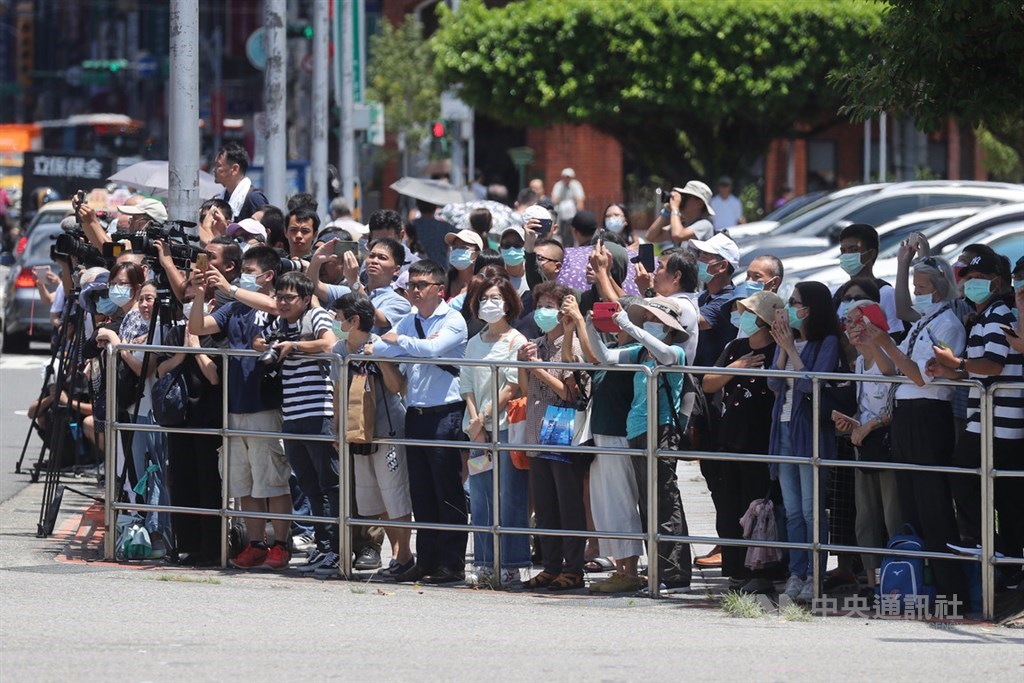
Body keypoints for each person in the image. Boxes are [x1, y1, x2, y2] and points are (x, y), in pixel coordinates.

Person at [858, 255, 968, 603]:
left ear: (937, 290)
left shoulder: (947, 324)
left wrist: (888, 344)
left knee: (933, 505)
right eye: (916, 287)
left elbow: (920, 375)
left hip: (928, 413)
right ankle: (920, 585)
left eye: (922, 288)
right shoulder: (923, 322)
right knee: (910, 507)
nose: (916, 294)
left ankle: (954, 591)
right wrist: (876, 339)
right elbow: (895, 368)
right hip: (905, 413)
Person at [188, 246, 295, 570]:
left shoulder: (277, 305)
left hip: (265, 405)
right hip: (234, 407)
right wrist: (199, 292)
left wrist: (230, 288)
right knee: (244, 481)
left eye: (249, 271)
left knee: (272, 479)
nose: (242, 277)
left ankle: (280, 544)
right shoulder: (232, 308)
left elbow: (276, 305)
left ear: (268, 275)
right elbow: (197, 327)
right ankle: (256, 544)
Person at [584, 296, 693, 593]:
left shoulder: (674, 351)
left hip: (661, 430)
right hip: (637, 430)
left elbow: (667, 357)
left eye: (654, 320)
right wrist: (591, 326)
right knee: (649, 505)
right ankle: (659, 571)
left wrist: (627, 325)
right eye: (646, 319)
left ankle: (676, 575)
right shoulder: (639, 353)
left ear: (668, 326)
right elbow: (605, 357)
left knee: (665, 501)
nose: (648, 324)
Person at [372, 260, 469, 584]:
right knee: (422, 493)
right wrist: (400, 343)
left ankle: (452, 563)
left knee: (447, 491)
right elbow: (380, 347)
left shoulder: (453, 319)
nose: (414, 289)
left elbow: (432, 350)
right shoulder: (409, 320)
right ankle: (426, 560)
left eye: (422, 284)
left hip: (447, 412)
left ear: (439, 289)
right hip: (416, 413)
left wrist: (400, 343)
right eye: (412, 284)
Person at [929, 252, 1023, 566]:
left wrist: (956, 363)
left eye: (977, 278)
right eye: (967, 277)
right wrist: (950, 372)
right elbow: (982, 368)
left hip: (996, 420)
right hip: (990, 418)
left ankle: (988, 544)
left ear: (996, 281)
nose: (970, 283)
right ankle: (1005, 558)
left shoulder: (997, 314)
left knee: (966, 476)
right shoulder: (989, 314)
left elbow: (994, 365)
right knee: (1004, 495)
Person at [253, 272, 339, 575]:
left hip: (319, 412)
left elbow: (330, 345)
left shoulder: (316, 315)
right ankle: (324, 545)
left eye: (289, 297)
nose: (283, 302)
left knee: (331, 484)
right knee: (309, 484)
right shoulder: (279, 324)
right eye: (279, 297)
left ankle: (337, 548)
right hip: (292, 415)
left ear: (305, 298)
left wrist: (295, 346)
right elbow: (259, 340)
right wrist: (263, 343)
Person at [701, 290, 785, 593]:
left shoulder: (780, 350)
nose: (744, 317)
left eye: (750, 313)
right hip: (729, 437)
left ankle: (763, 571)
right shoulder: (735, 347)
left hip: (761, 439)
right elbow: (708, 383)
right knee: (729, 507)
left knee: (760, 507)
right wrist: (734, 369)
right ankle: (735, 568)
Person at [330, 292, 416, 578]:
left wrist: (380, 359)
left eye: (338, 317)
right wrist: (336, 429)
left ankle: (404, 555)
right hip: (357, 434)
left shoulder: (381, 345)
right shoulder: (340, 351)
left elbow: (397, 387)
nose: (334, 322)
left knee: (396, 497)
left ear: (354, 320)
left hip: (387, 431)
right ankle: (396, 555)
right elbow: (339, 391)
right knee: (375, 500)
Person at [767, 281, 843, 602]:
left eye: (794, 302)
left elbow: (813, 387)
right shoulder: (785, 341)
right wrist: (785, 346)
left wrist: (793, 351)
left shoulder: (827, 342)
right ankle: (796, 572)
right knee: (793, 511)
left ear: (809, 308)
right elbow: (772, 381)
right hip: (782, 430)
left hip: (810, 432)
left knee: (813, 510)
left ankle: (816, 574)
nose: (790, 307)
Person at [518, 282, 589, 591]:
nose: (544, 311)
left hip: (563, 432)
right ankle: (550, 565)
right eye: (540, 305)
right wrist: (524, 363)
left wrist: (537, 369)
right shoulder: (536, 344)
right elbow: (524, 390)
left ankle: (573, 568)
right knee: (545, 506)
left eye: (551, 305)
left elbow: (569, 392)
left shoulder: (571, 346)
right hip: (536, 431)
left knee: (568, 503)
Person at [460, 276, 530, 586]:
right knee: (480, 496)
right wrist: (476, 423)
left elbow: (513, 385)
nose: (489, 303)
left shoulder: (516, 340)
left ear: (508, 303)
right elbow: (467, 385)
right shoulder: (474, 342)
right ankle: (485, 561)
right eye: (484, 297)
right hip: (478, 434)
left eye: (495, 297)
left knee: (509, 495)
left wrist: (486, 418)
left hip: (504, 430)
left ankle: (511, 562)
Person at [839, 296, 903, 598]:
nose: (849, 327)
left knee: (893, 516)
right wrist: (852, 422)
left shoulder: (886, 356)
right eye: (848, 321)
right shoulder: (859, 362)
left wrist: (870, 425)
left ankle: (899, 579)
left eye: (855, 320)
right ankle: (873, 581)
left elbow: (894, 405)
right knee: (865, 519)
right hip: (862, 441)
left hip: (884, 441)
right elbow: (866, 404)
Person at [157, 285, 224, 566]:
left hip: (208, 419)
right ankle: (187, 545)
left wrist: (196, 349)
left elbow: (214, 377)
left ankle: (211, 549)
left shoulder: (216, 334)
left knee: (209, 484)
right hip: (179, 419)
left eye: (194, 300)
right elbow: (161, 370)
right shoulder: (174, 333)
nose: (189, 306)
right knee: (182, 483)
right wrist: (180, 355)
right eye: (185, 301)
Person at [836, 223, 904, 336]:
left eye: (854, 250)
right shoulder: (839, 293)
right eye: (843, 251)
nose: (847, 255)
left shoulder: (885, 293)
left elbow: (894, 337)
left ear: (871, 254)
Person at [645, 181, 715, 247]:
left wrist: (675, 208)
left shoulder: (705, 225)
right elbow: (651, 237)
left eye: (686, 197)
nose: (681, 200)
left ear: (700, 203)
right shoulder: (682, 225)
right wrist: (666, 212)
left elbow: (678, 235)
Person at [213, 141, 269, 221]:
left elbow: (266, 230)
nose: (214, 169)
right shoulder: (219, 199)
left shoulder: (254, 198)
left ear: (235, 169)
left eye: (218, 165)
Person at [444, 228, 484, 307]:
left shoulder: (483, 283)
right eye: (454, 248)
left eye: (463, 248)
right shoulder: (446, 280)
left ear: (477, 254)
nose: (457, 251)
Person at [552, 168, 585, 245]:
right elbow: (554, 199)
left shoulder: (576, 185)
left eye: (568, 177)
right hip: (561, 212)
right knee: (562, 233)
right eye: (565, 177)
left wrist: (580, 212)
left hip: (572, 212)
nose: (566, 179)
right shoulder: (558, 185)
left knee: (571, 232)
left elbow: (580, 199)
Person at [497, 225, 529, 296]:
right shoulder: (495, 277)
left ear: (526, 248)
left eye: (517, 245)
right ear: (500, 250)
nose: (512, 249)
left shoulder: (533, 276)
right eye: (506, 245)